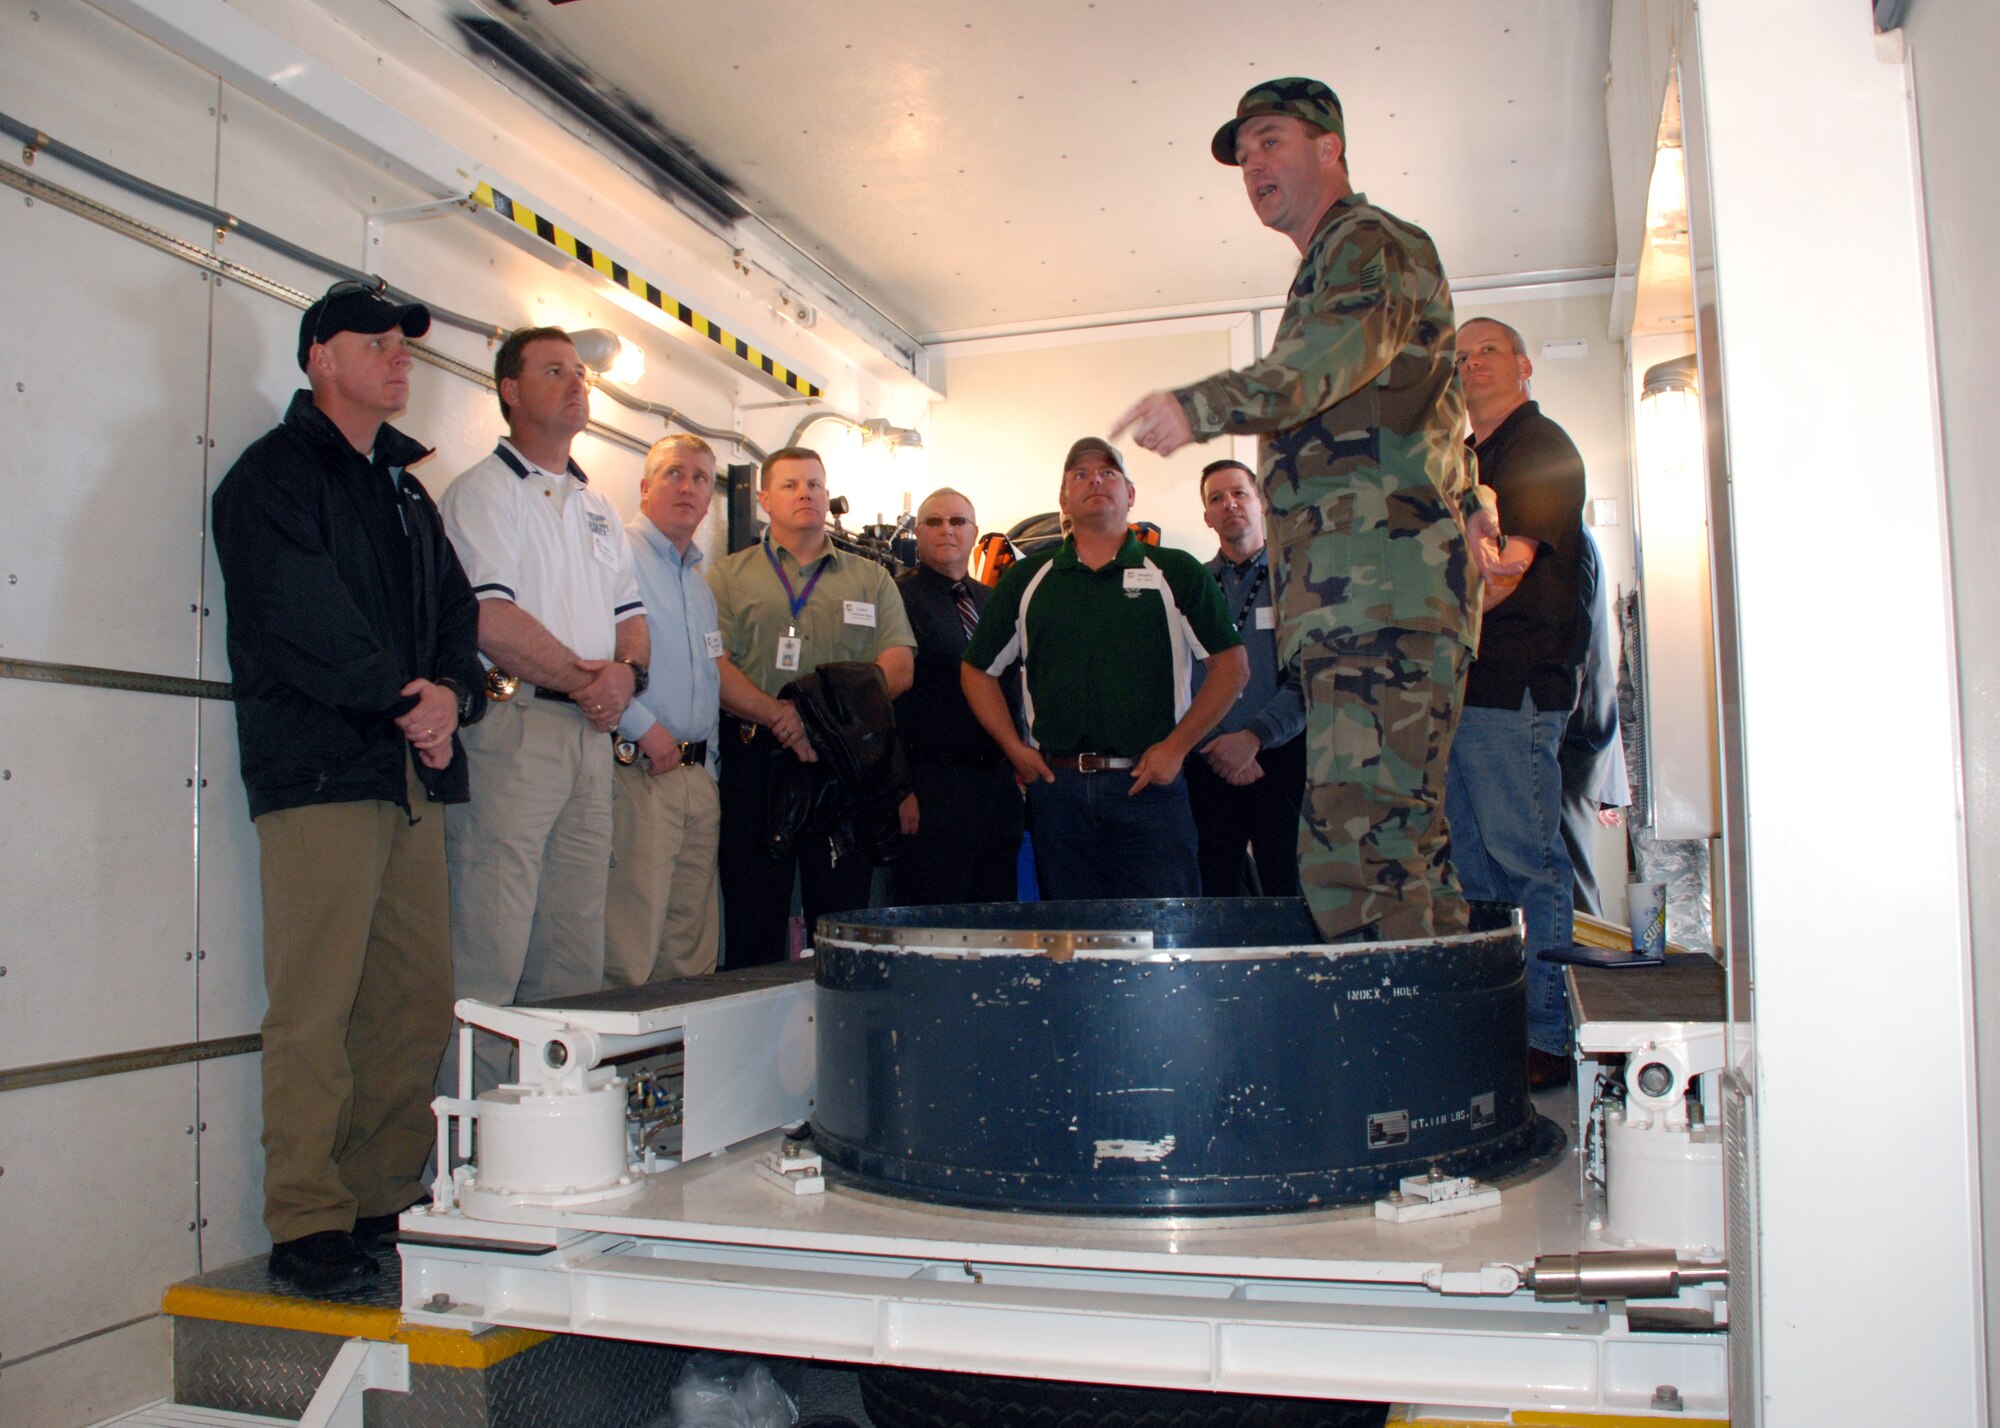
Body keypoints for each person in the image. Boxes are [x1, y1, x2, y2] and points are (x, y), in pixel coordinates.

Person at [1113, 78, 1520, 943]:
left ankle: (1390, 1068)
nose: (1253, 163)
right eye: (1244, 152)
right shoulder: (1341, 258)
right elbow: (1432, 415)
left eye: (1271, 140)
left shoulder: (1366, 244)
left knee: (1357, 856)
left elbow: (1327, 363)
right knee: (1401, 848)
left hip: (1380, 601)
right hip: (1377, 601)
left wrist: (1202, 405)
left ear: (1330, 148)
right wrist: (1475, 499)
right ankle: (1433, 1061)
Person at [211, 281, 485, 1291]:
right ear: (320, 357)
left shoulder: (406, 492)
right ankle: (308, 1223)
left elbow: (455, 610)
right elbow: (299, 617)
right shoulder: (271, 479)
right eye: (375, 343)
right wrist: (408, 697)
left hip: (404, 772)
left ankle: (380, 1197)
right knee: (316, 1007)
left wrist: (452, 690)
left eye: (403, 346)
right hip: (322, 769)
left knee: (411, 1004)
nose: (398, 358)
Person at [437, 327, 648, 1094]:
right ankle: (463, 1158)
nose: (576, 384)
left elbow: (631, 617)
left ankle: (554, 1136)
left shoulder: (598, 507)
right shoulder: (482, 494)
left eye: (582, 373)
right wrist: (588, 682)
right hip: (517, 732)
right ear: (510, 390)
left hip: (590, 743)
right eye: (554, 370)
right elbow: (489, 619)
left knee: (572, 953)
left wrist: (624, 676)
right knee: (491, 950)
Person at [961, 438, 1247, 901]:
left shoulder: (1175, 571)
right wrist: (1013, 748)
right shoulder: (1027, 579)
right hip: (1058, 794)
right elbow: (976, 672)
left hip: (1149, 788)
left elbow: (1233, 667)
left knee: (1165, 938)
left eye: (1109, 472)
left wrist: (1177, 748)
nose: (1095, 480)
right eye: (1080, 474)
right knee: (1073, 944)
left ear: (1130, 494)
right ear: (1063, 499)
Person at [1445, 316, 1588, 1083]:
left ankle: (1547, 1038)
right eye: (1460, 357)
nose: (1472, 365)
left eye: (1488, 351)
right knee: (1477, 875)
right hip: (1466, 695)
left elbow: (1503, 575)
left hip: (1513, 690)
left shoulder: (1539, 449)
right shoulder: (1467, 459)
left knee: (1526, 866)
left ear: (1525, 365)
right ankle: (1498, 1036)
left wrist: (1430, 620)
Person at [709, 446, 915, 964]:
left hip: (844, 764)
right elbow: (712, 667)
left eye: (815, 485)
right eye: (790, 485)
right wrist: (778, 715)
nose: (805, 494)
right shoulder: (727, 578)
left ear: (827, 496)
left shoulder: (873, 579)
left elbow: (899, 667)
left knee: (844, 922)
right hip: (756, 760)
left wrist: (822, 721)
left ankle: (838, 1040)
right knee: (752, 920)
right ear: (763, 500)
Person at [604, 434, 725, 985]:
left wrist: (712, 771)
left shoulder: (699, 586)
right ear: (646, 486)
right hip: (640, 769)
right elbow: (596, 655)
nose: (688, 487)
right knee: (631, 941)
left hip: (696, 778)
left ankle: (678, 1073)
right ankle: (617, 1072)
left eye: (701, 478)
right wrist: (642, 728)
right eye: (675, 474)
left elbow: (710, 679)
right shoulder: (615, 554)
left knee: (690, 949)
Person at [891, 487, 1025, 905]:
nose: (946, 530)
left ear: (974, 533)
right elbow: (884, 703)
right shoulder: (897, 597)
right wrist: (898, 788)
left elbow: (1011, 685)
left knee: (997, 918)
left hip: (996, 786)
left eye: (957, 521)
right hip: (932, 786)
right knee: (935, 922)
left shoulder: (993, 602)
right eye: (933, 522)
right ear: (917, 533)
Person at [1186, 459, 1307, 896]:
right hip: (1209, 761)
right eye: (1216, 498)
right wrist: (1217, 742)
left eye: (1239, 493)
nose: (1228, 504)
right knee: (1213, 891)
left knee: (1286, 889)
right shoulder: (1192, 585)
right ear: (1206, 516)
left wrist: (1253, 738)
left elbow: (1308, 679)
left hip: (1282, 758)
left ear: (1261, 503)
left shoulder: (1296, 580)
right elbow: (1181, 678)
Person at [1559, 527, 1630, 916]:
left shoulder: (1568, 540)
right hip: (1578, 745)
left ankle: (1584, 974)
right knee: (1572, 891)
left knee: (1572, 902)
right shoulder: (1578, 539)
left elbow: (1582, 658)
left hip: (1568, 746)